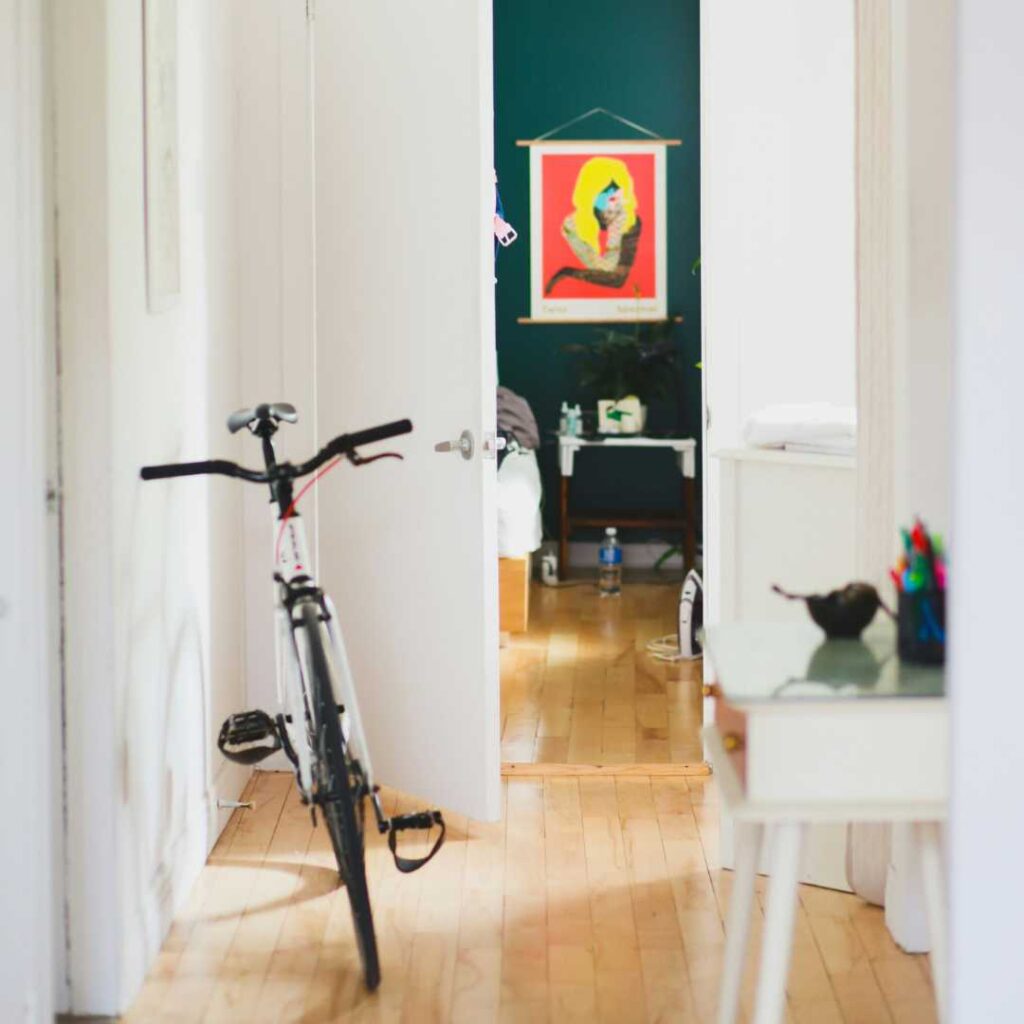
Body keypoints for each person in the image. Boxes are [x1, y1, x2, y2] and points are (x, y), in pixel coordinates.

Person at [545, 156, 642, 295]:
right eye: (613, 198)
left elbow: (617, 279)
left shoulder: (630, 222)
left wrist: (569, 273)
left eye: (623, 197)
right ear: (591, 198)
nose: (620, 205)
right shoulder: (572, 227)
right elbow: (599, 268)